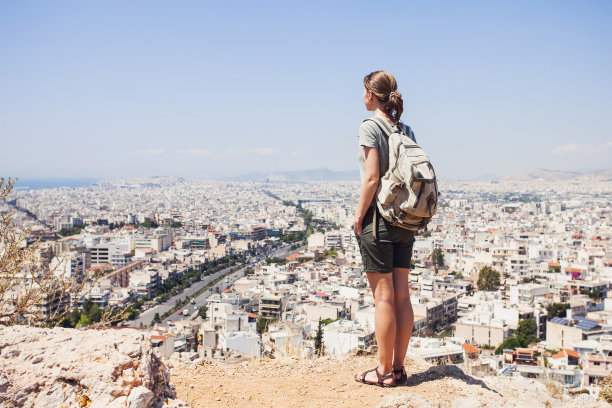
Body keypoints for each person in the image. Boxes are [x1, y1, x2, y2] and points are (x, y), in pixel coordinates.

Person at [353, 70, 415, 387]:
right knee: (402, 296)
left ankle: (384, 372)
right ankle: (400, 368)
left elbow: (372, 178)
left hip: (379, 222)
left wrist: (357, 216)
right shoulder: (405, 129)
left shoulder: (370, 127)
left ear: (371, 94)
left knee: (384, 299)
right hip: (407, 221)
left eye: (364, 91)